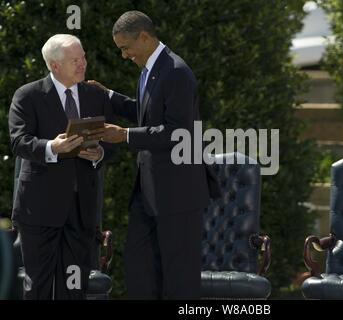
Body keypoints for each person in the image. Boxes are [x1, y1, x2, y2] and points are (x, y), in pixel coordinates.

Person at [89, 11, 210, 299]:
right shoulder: (150, 70)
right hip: (149, 192)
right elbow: (147, 113)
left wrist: (125, 135)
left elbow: (177, 132)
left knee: (178, 278)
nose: (124, 55)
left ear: (144, 37)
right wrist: (109, 96)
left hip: (177, 194)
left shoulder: (177, 72)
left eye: (125, 47)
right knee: (140, 269)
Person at [8, 34, 113, 299]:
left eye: (84, 57)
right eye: (75, 60)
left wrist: (99, 152)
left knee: (75, 285)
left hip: (81, 210)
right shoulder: (28, 95)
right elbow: (19, 142)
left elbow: (108, 139)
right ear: (54, 66)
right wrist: (52, 147)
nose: (83, 64)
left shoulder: (94, 95)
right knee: (38, 285)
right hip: (39, 209)